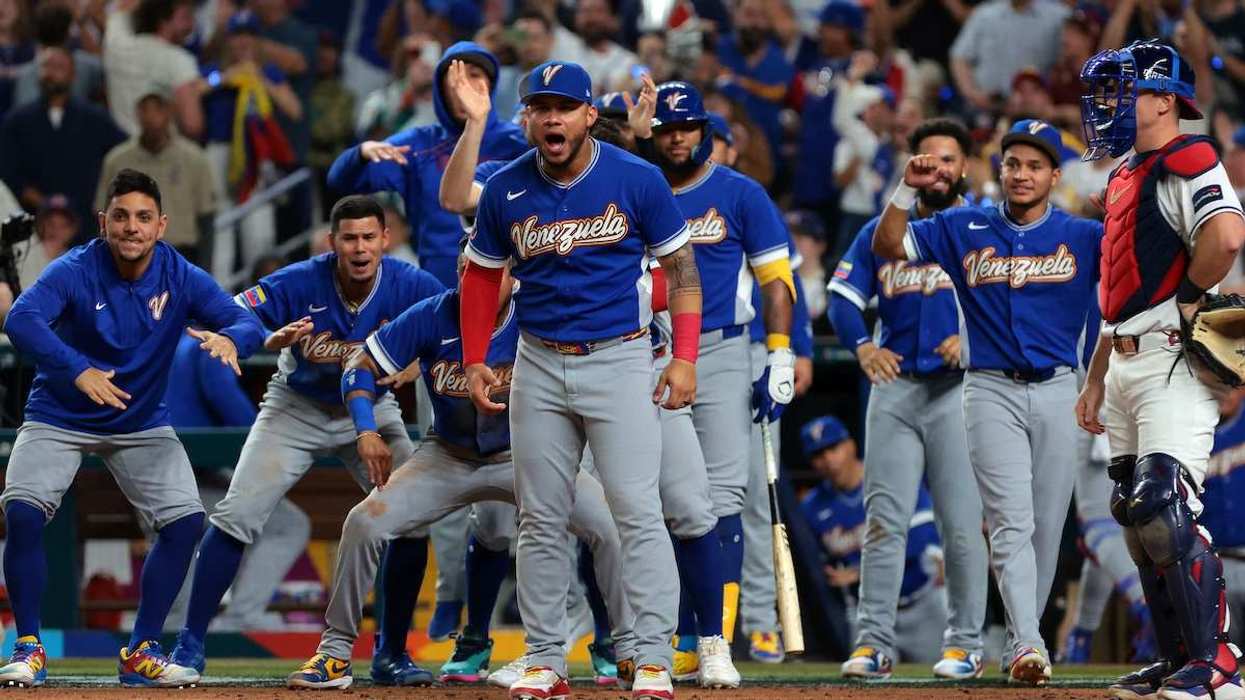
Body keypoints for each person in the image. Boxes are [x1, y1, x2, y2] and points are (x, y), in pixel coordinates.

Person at [286, 249, 638, 691]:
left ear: (514, 275)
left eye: (493, 274)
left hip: (526, 455)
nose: (481, 282)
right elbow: (360, 367)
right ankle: (335, 652)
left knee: (607, 526)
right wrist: (365, 430)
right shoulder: (434, 313)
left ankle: (628, 648)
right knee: (363, 522)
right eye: (470, 273)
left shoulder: (539, 310)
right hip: (447, 456)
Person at [460, 59, 700, 699]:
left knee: (637, 513)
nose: (551, 118)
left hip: (620, 358)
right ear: (529, 118)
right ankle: (545, 657)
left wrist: (685, 358)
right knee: (538, 518)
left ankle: (651, 656)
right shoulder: (507, 187)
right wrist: (478, 355)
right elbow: (481, 275)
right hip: (537, 361)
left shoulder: (636, 177)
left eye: (563, 107)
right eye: (540, 107)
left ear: (590, 116)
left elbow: (682, 268)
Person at [0, 168, 264, 688]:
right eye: (120, 216)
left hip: (140, 421)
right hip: (60, 413)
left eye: (143, 217)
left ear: (161, 226)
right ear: (104, 222)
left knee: (186, 523)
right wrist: (77, 368)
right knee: (23, 512)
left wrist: (236, 341)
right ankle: (29, 645)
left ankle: (141, 649)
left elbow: (244, 320)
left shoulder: (181, 273)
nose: (132, 227)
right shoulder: (74, 268)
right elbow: (21, 320)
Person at [166, 195, 445, 686]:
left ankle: (391, 653)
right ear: (331, 242)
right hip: (296, 407)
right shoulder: (303, 278)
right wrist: (254, 339)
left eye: (368, 238)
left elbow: (452, 329)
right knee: (236, 516)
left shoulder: (412, 283)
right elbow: (237, 312)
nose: (359, 248)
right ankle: (189, 646)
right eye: (349, 238)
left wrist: (420, 361)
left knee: (412, 518)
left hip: (373, 409)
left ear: (386, 239)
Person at [872, 119, 1103, 685]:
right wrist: (905, 189)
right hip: (990, 387)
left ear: (1054, 175)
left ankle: (1026, 634)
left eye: (1034, 165)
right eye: (1013, 163)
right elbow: (887, 243)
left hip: (1056, 389)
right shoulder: (961, 224)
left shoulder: (1082, 234)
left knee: (1046, 530)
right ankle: (1026, 642)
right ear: (999, 170)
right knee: (1009, 524)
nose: (1022, 174)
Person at [1077, 40, 1245, 700]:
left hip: (1170, 355)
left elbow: (1226, 234)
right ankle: (1178, 659)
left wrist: (1189, 293)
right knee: (1133, 513)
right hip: (1120, 356)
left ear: (1163, 99)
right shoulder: (1124, 174)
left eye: (1123, 89)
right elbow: (1112, 293)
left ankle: (1220, 665)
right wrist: (1093, 378)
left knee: (1161, 502)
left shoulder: (1189, 156)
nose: (1110, 103)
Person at [628, 77, 795, 686]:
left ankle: (712, 640)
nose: (678, 139)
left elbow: (776, 279)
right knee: (652, 499)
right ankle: (663, 634)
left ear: (705, 131)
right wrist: (634, 131)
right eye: (667, 130)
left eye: (687, 128)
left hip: (723, 350)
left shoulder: (739, 192)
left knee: (723, 500)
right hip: (640, 352)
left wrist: (778, 353)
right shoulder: (631, 187)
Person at [827, 117, 990, 681]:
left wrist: (971, 341)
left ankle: (965, 642)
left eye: (949, 159)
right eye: (928, 158)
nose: (938, 169)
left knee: (961, 524)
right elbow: (844, 297)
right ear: (912, 165)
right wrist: (861, 346)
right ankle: (873, 643)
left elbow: (1011, 304)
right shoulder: (881, 230)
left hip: (958, 392)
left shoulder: (982, 226)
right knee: (882, 521)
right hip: (896, 389)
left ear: (965, 167)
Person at [327, 41, 528, 289]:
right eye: (456, 79)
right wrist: (359, 153)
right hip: (437, 287)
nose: (464, 87)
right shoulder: (417, 144)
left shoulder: (518, 141)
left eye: (474, 76)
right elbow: (339, 181)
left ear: (491, 85)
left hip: (510, 284)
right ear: (440, 90)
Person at [797, 416, 950, 663]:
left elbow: (920, 539)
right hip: (866, 615)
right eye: (818, 454)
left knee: (948, 682)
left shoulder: (891, 479)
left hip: (920, 604)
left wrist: (861, 572)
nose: (828, 460)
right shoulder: (812, 507)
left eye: (833, 448)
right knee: (867, 683)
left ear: (850, 446)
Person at [0, 44, 126, 233]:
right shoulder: (16, 121)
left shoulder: (96, 119)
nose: (51, 73)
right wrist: (45, 204)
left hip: (86, 225)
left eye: (59, 67)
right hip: (33, 224)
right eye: (46, 67)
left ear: (73, 74)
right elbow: (9, 174)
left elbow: (121, 156)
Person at [95, 91, 217, 264]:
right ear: (137, 114)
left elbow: (206, 219)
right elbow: (102, 215)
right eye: (146, 109)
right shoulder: (117, 161)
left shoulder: (194, 159)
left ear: (169, 112)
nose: (152, 116)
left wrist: (205, 268)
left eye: (158, 108)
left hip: (181, 255)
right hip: (128, 254)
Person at [102, 0, 204, 140]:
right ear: (163, 21)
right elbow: (193, 125)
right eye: (185, 18)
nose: (191, 26)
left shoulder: (116, 44)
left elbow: (123, 7)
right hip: (162, 154)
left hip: (119, 150)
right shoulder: (179, 60)